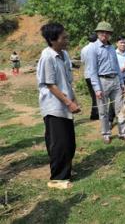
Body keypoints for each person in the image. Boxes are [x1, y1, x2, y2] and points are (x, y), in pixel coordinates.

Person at [37, 23, 80, 189]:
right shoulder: (47, 57)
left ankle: (66, 171)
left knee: (69, 142)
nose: (66, 40)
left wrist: (74, 100)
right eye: (63, 38)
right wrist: (68, 103)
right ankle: (57, 179)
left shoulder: (64, 55)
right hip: (54, 106)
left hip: (65, 104)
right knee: (59, 144)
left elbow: (67, 82)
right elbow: (51, 85)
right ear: (52, 40)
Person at [87, 21, 125, 144]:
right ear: (98, 33)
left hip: (115, 80)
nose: (104, 34)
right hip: (102, 81)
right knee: (103, 110)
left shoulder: (111, 48)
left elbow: (116, 66)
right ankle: (106, 133)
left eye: (107, 32)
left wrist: (121, 82)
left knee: (120, 109)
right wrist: (97, 88)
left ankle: (123, 132)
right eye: (102, 32)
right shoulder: (93, 49)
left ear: (110, 34)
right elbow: (92, 70)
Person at [108, 35, 125, 123]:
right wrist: (122, 69)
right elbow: (111, 68)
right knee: (115, 100)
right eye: (121, 42)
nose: (123, 44)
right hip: (116, 79)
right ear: (117, 43)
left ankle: (123, 118)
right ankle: (110, 120)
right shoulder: (113, 54)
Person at [80, 33, 99, 120]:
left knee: (93, 95)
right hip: (95, 74)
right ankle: (95, 114)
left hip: (87, 75)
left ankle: (95, 113)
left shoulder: (84, 49)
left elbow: (82, 61)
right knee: (97, 95)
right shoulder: (96, 48)